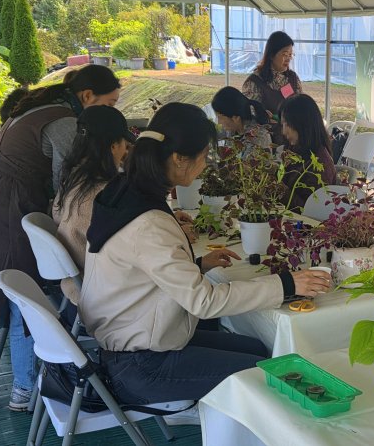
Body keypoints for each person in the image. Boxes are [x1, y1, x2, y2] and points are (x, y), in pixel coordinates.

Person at [78, 102, 331, 405]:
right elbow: (204, 302)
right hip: (139, 364)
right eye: (203, 157)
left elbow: (141, 268)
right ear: (179, 159)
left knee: (257, 349)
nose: (205, 166)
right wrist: (289, 284)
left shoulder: (123, 191)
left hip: (131, 335)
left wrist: (196, 264)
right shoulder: (149, 222)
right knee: (266, 373)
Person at [0, 64, 121, 417]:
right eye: (109, 103)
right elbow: (68, 182)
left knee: (15, 296)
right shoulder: (64, 121)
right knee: (10, 298)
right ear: (87, 97)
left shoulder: (41, 108)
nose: (112, 111)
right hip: (5, 212)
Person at [52, 105, 135, 307]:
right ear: (114, 146)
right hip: (104, 293)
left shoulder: (73, 177)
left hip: (77, 283)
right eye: (125, 144)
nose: (125, 151)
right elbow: (135, 246)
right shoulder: (105, 193)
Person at [278, 94, 337, 213]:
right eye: (282, 124)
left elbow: (311, 211)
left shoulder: (320, 163)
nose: (284, 131)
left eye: (287, 124)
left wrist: (279, 190)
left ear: (303, 125)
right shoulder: (294, 149)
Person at [242, 31, 302, 144]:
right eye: (284, 54)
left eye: (290, 55)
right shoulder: (254, 82)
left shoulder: (293, 78)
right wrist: (262, 117)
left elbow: (302, 107)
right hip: (266, 144)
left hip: (292, 141)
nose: (288, 59)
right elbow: (247, 116)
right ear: (271, 54)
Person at [211, 86, 272, 157]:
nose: (219, 122)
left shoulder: (258, 138)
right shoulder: (233, 128)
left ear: (236, 118)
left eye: (220, 117)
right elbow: (212, 135)